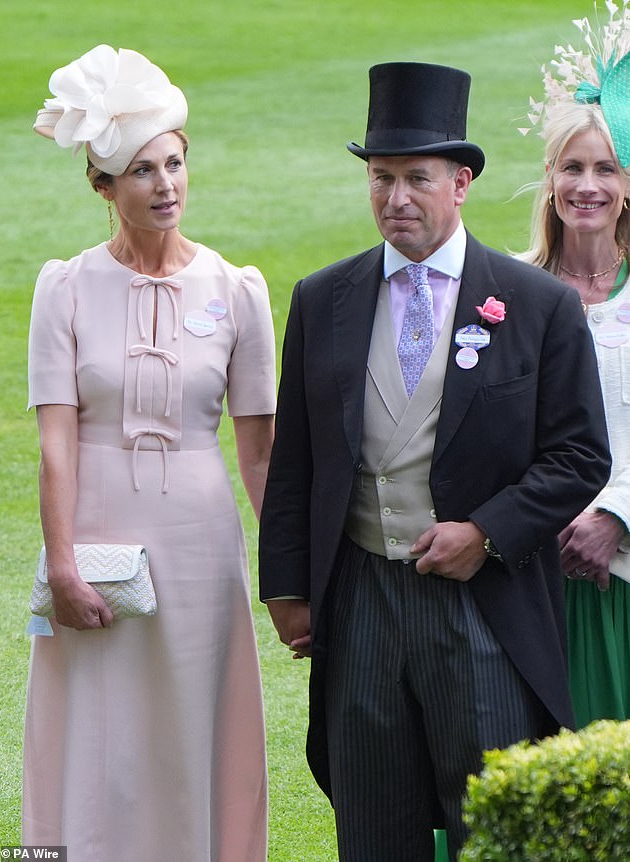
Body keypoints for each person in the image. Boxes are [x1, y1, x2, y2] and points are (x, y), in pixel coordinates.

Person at [258, 61, 611, 861]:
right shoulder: (324, 298)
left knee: (494, 826)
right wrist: (286, 585)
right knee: (375, 825)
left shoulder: (537, 305)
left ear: (462, 183)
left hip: (480, 608)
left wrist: (485, 532)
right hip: (360, 606)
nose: (396, 199)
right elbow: (298, 460)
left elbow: (580, 453)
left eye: (417, 178)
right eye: (381, 178)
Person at [24, 45, 275, 861]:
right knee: (99, 731)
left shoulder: (239, 291)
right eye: (141, 171)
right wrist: (62, 564)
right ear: (102, 186)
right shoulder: (62, 287)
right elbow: (55, 444)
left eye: (174, 163)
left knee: (195, 718)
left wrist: (294, 577)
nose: (165, 184)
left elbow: (261, 454)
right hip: (96, 532)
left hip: (202, 540)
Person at [517, 4, 630, 729]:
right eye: (572, 167)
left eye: (607, 168)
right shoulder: (505, 293)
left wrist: (617, 516)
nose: (587, 185)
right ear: (550, 179)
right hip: (530, 572)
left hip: (623, 572)